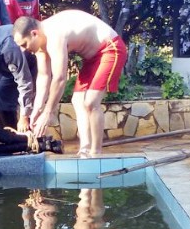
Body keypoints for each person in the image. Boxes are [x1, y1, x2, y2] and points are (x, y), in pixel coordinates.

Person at [12, 10, 127, 157]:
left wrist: (48, 112)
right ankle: (84, 150)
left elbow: (59, 78)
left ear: (34, 33)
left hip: (110, 48)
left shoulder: (54, 35)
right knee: (78, 101)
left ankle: (96, 153)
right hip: (91, 58)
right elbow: (43, 76)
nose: (23, 49)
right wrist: (37, 110)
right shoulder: (40, 43)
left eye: (24, 44)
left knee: (91, 102)